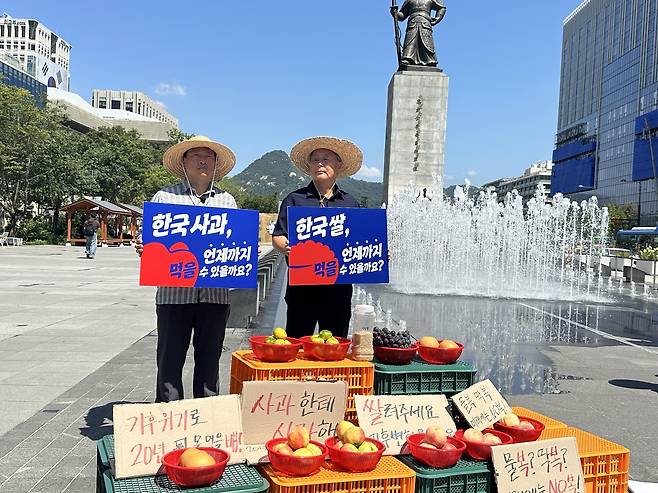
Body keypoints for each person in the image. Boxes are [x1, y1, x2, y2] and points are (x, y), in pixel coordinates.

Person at [135, 136, 238, 402]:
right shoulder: (164, 197)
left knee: (210, 360)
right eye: (196, 155)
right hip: (173, 295)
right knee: (169, 359)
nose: (203, 160)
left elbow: (237, 244)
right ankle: (168, 414)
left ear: (216, 164)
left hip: (215, 296)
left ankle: (207, 414)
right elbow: (146, 238)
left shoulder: (228, 201)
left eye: (209, 156)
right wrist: (144, 248)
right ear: (183, 161)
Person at [272, 136, 363, 339]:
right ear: (309, 166)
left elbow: (360, 240)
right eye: (315, 160)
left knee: (335, 344)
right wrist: (287, 247)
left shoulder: (350, 202)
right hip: (302, 289)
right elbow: (278, 236)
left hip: (338, 290)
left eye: (326, 159)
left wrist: (378, 253)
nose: (320, 163)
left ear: (338, 165)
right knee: (297, 341)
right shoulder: (294, 199)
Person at [392, 0, 446, 67]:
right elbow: (402, 16)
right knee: (410, 42)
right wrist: (395, 13)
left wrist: (437, 18)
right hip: (412, 23)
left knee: (427, 43)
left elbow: (441, 7)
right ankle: (408, 58)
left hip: (425, 22)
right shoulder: (409, 0)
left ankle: (429, 60)